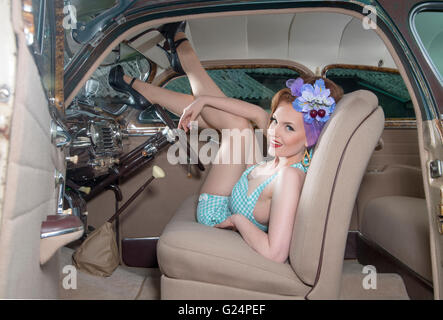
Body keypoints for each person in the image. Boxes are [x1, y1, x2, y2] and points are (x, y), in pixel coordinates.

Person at [109, 21, 344, 263]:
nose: (273, 132)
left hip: (218, 213)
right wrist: (203, 102)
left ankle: (176, 61)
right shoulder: (284, 152)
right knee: (240, 120)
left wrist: (236, 221)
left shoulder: (290, 177)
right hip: (247, 188)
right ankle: (156, 78)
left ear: (312, 138)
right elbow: (256, 113)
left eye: (289, 127)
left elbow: (276, 253)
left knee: (237, 126)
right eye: (275, 121)